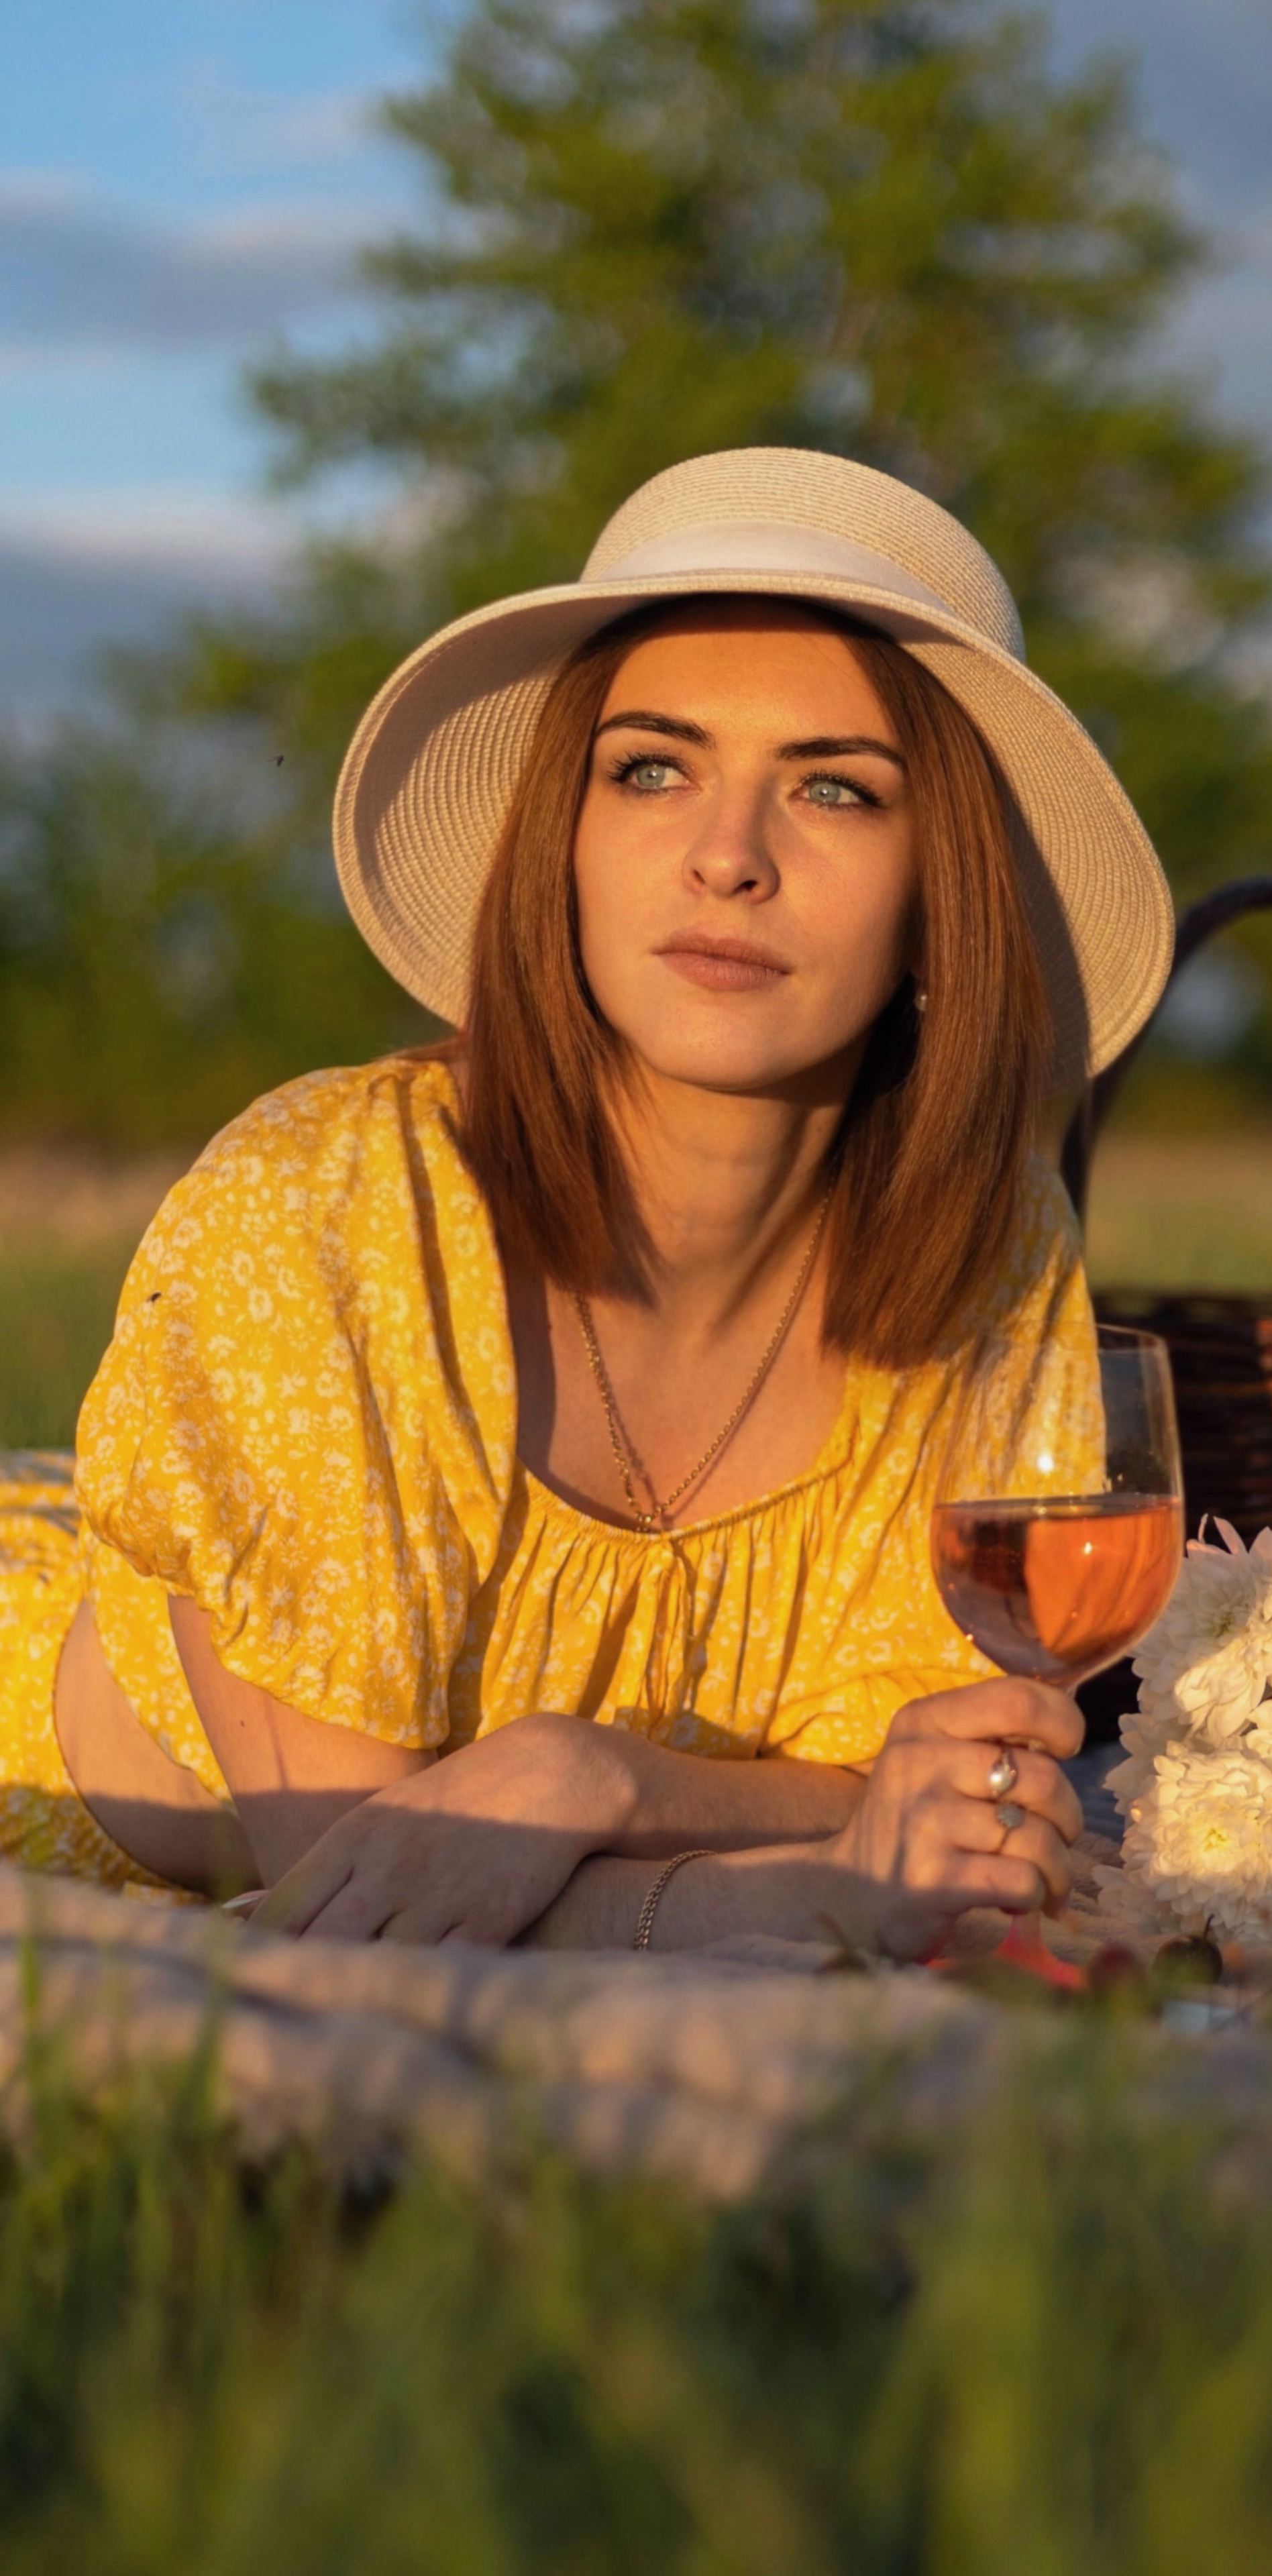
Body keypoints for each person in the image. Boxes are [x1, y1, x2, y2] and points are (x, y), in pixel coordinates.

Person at [0, 447, 1171, 1957]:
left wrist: (592, 1775)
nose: (727, 858)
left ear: (940, 897)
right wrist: (800, 1888)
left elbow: (902, 1779)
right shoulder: (327, 1207)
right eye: (651, 770)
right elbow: (371, 1895)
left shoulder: (993, 1249)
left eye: (833, 789)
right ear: (561, 839)